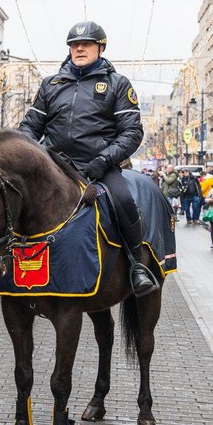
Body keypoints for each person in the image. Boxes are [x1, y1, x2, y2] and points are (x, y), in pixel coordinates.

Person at [19, 20, 156, 296]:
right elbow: (30, 127)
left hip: (99, 166)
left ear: (100, 48)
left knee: (124, 200)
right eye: (74, 45)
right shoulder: (50, 84)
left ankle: (136, 265)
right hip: (54, 165)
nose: (79, 48)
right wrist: (26, 154)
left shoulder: (117, 84)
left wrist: (104, 159)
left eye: (86, 44)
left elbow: (131, 132)